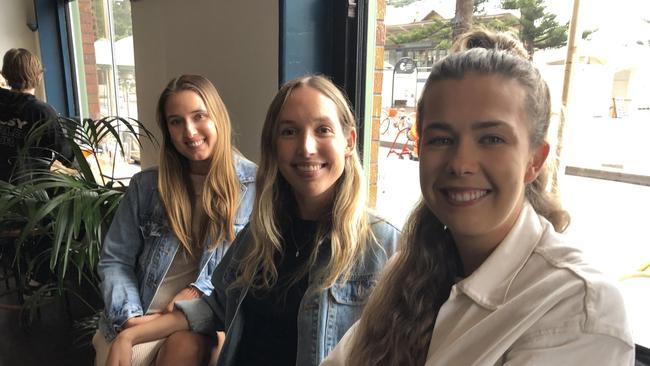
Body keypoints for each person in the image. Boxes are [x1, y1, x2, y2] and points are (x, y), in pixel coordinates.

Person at [322, 30, 634, 366]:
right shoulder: (408, 270)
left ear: (535, 160)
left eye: (492, 139)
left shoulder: (579, 307)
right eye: (441, 140)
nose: (461, 164)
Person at [104, 75, 400, 366]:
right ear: (273, 146)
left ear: (349, 141)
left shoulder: (384, 245)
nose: (306, 147)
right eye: (289, 132)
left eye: (322, 129)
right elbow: (212, 306)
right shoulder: (260, 235)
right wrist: (129, 336)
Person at [93, 74, 257, 366]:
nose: (189, 131)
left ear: (218, 116)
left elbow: (245, 270)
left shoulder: (255, 186)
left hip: (198, 317)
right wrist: (131, 318)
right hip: (138, 313)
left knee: (186, 347)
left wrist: (196, 291)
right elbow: (115, 260)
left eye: (199, 116)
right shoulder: (146, 187)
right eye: (175, 121)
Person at [0, 48, 72, 182]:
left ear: (5, 74)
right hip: (27, 194)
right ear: (38, 76)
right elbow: (65, 153)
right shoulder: (41, 112)